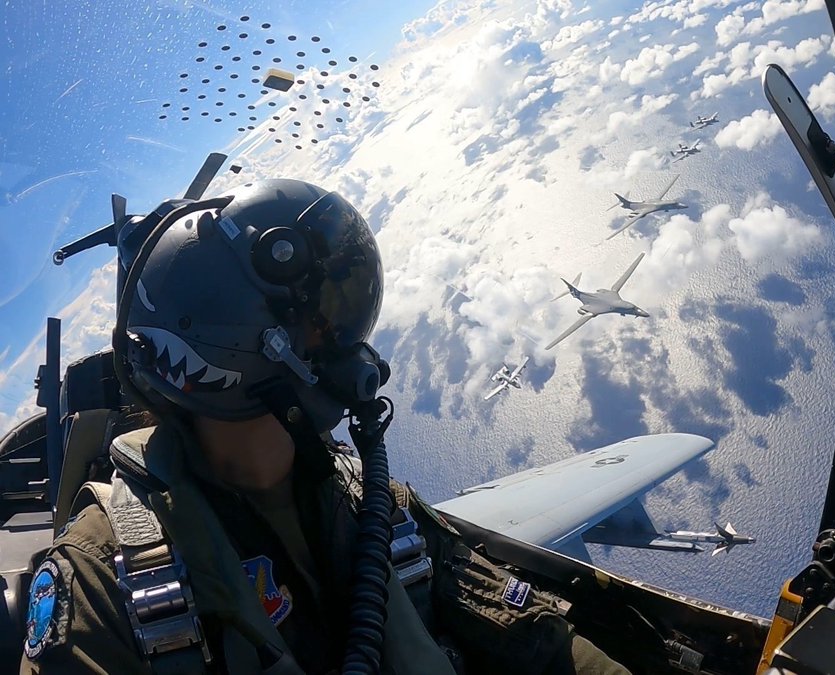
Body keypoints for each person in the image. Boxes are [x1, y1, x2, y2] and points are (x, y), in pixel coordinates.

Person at [20, 179, 629, 674]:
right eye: (325, 322)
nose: (349, 348)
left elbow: (536, 639)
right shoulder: (105, 587)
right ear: (232, 349)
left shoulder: (375, 506)